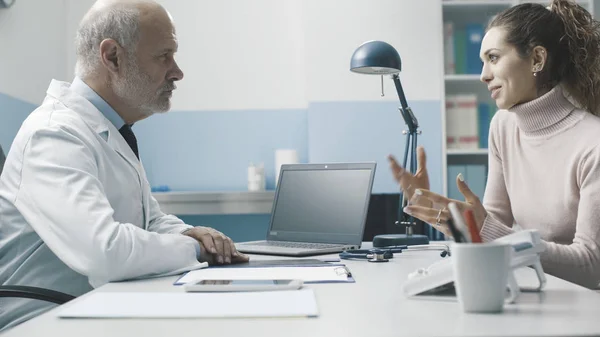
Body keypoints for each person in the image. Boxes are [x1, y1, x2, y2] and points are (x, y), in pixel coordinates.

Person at [0, 0, 248, 330]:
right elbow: (104, 252)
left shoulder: (111, 130)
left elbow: (149, 219)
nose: (177, 71)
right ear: (113, 57)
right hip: (41, 320)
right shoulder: (55, 135)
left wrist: (188, 233)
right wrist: (193, 249)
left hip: (94, 306)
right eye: (164, 56)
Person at [390, 0, 600, 289]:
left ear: (537, 58)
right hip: (524, 290)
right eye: (482, 61)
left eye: (494, 58)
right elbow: (492, 227)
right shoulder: (503, 127)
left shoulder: (593, 143)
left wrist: (485, 228)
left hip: (580, 307)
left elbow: (591, 265)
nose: (483, 75)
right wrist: (445, 214)